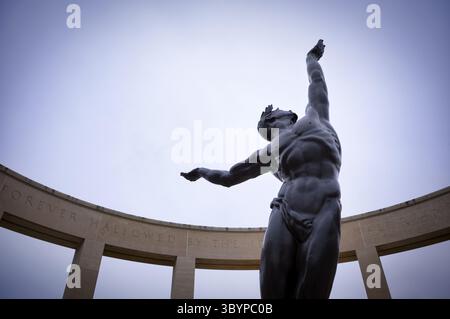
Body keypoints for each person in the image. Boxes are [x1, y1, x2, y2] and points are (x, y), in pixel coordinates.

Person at [181, 40, 342, 299]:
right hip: (285, 210)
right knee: (272, 290)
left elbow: (317, 83)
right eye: (273, 113)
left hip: (324, 207)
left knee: (313, 288)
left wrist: (311, 58)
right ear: (270, 122)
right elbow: (229, 177)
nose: (278, 109)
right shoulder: (271, 154)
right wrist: (201, 170)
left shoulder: (315, 117)